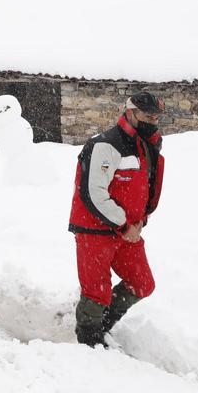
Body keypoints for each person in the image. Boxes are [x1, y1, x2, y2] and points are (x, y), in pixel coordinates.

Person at [67, 91, 166, 347]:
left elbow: (145, 187)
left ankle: (102, 324)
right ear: (130, 112)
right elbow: (93, 192)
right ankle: (89, 341)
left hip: (129, 230)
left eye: (156, 117)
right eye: (147, 115)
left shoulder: (145, 146)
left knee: (142, 283)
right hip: (96, 230)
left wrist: (140, 221)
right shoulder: (105, 145)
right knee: (96, 291)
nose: (152, 121)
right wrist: (123, 224)